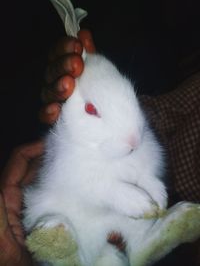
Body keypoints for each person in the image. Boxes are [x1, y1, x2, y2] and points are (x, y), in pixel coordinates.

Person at [0, 29, 200, 265]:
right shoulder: (64, 143)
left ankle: (146, 242)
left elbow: (151, 157)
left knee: (122, 242)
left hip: (117, 227)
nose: (134, 138)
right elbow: (77, 184)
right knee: (52, 222)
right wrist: (114, 193)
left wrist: (149, 180)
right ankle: (67, 257)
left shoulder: (137, 132)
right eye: (93, 111)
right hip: (73, 218)